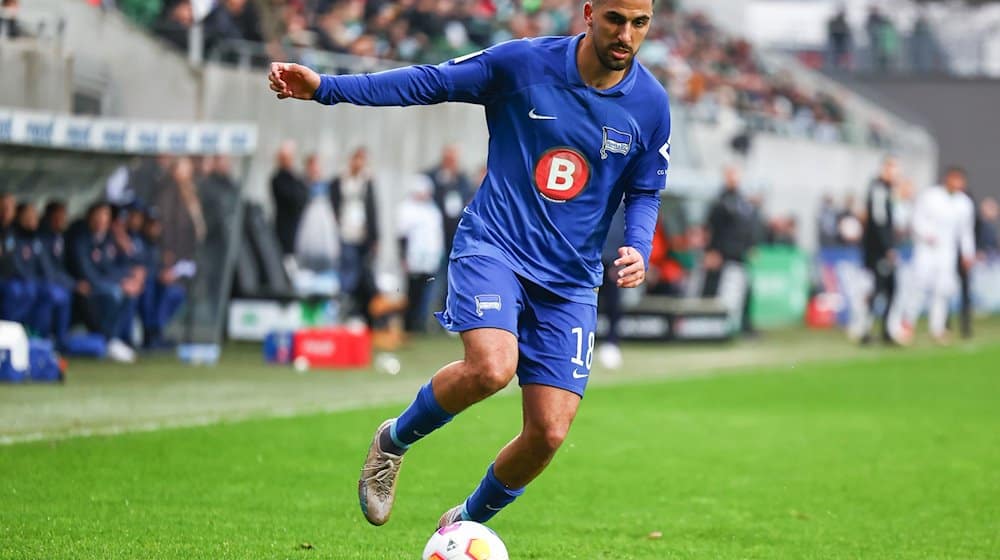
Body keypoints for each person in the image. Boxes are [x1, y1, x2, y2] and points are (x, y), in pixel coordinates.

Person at [269, 0, 670, 528]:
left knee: (547, 433)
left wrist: (638, 247)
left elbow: (645, 189)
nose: (626, 34)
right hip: (496, 245)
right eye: (616, 19)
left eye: (639, 23)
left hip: (571, 281)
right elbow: (427, 82)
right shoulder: (522, 65)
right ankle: (392, 442)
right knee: (492, 367)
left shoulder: (650, 104)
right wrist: (327, 88)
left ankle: (465, 524)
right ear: (590, 13)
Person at [891, 167, 975, 345]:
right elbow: (916, 219)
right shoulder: (930, 196)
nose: (957, 184)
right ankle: (908, 323)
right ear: (947, 179)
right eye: (954, 179)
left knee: (943, 290)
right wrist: (925, 234)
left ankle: (937, 328)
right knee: (919, 286)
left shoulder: (965, 203)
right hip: (927, 249)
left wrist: (968, 253)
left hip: (948, 252)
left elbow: (965, 232)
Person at [66, 202, 141, 363]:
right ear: (90, 217)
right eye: (98, 215)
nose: (101, 219)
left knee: (127, 292)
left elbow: (113, 267)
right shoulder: (80, 239)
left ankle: (111, 339)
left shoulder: (107, 238)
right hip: (85, 286)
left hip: (103, 284)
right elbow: (86, 271)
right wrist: (117, 283)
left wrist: (125, 279)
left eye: (105, 215)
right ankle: (106, 340)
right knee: (114, 293)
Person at [702, 165, 756, 335]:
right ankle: (708, 325)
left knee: (744, 291)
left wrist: (750, 247)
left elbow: (747, 228)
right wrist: (711, 251)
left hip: (739, 254)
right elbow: (711, 227)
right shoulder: (720, 200)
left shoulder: (742, 201)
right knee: (715, 291)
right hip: (722, 254)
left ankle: (743, 327)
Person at [330, 147, 379, 320]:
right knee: (348, 274)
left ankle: (356, 312)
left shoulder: (367, 181)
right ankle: (343, 308)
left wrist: (375, 237)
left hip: (362, 235)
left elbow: (373, 210)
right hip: (345, 233)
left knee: (362, 274)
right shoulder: (340, 180)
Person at [855, 156, 899, 344]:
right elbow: (879, 221)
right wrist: (888, 247)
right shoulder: (879, 189)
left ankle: (884, 330)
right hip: (877, 251)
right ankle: (866, 330)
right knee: (879, 289)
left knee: (888, 289)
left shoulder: (885, 189)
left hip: (878, 249)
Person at [397, 174, 444, 333]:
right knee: (412, 292)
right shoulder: (407, 209)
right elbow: (402, 236)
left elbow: (437, 235)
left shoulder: (432, 210)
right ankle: (408, 325)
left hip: (429, 259)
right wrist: (403, 257)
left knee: (427, 293)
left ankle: (421, 324)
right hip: (414, 258)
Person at [270, 141, 309, 258]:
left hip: (299, 226)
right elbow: (294, 198)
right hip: (285, 229)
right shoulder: (278, 179)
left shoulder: (295, 177)